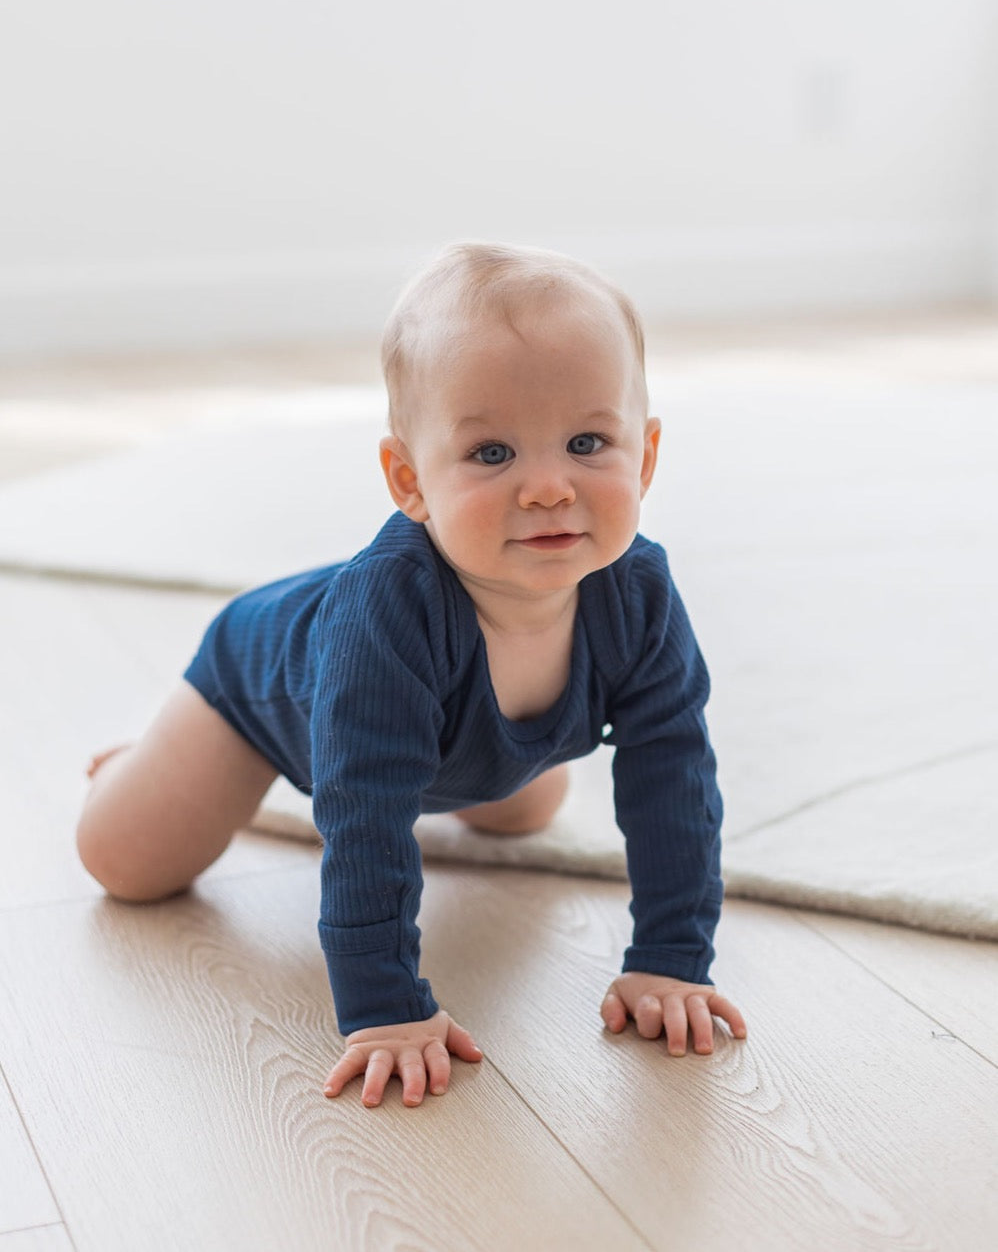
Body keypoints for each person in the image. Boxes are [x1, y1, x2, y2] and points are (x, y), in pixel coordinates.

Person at [78, 242, 747, 1109]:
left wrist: (671, 958)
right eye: (492, 453)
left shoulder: (641, 594)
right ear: (409, 479)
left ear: (646, 458)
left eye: (588, 442)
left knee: (527, 808)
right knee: (126, 863)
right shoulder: (384, 617)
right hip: (266, 699)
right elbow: (364, 819)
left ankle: (488, 744)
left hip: (446, 736)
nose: (548, 486)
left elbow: (676, 775)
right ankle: (150, 757)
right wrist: (385, 1009)